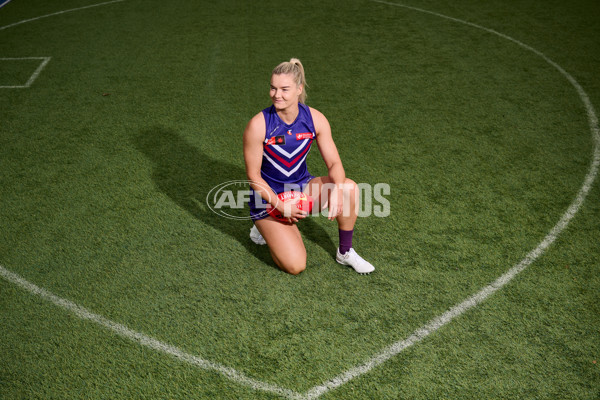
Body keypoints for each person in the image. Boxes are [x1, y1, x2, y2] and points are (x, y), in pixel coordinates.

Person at [243, 58, 375, 275]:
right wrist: (281, 206)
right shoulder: (258, 125)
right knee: (296, 266)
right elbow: (253, 177)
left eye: (284, 89)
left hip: (301, 190)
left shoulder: (315, 119)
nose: (277, 95)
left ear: (299, 89)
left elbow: (334, 163)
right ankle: (261, 227)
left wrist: (337, 190)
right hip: (268, 201)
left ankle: (345, 252)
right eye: (273, 88)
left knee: (349, 188)